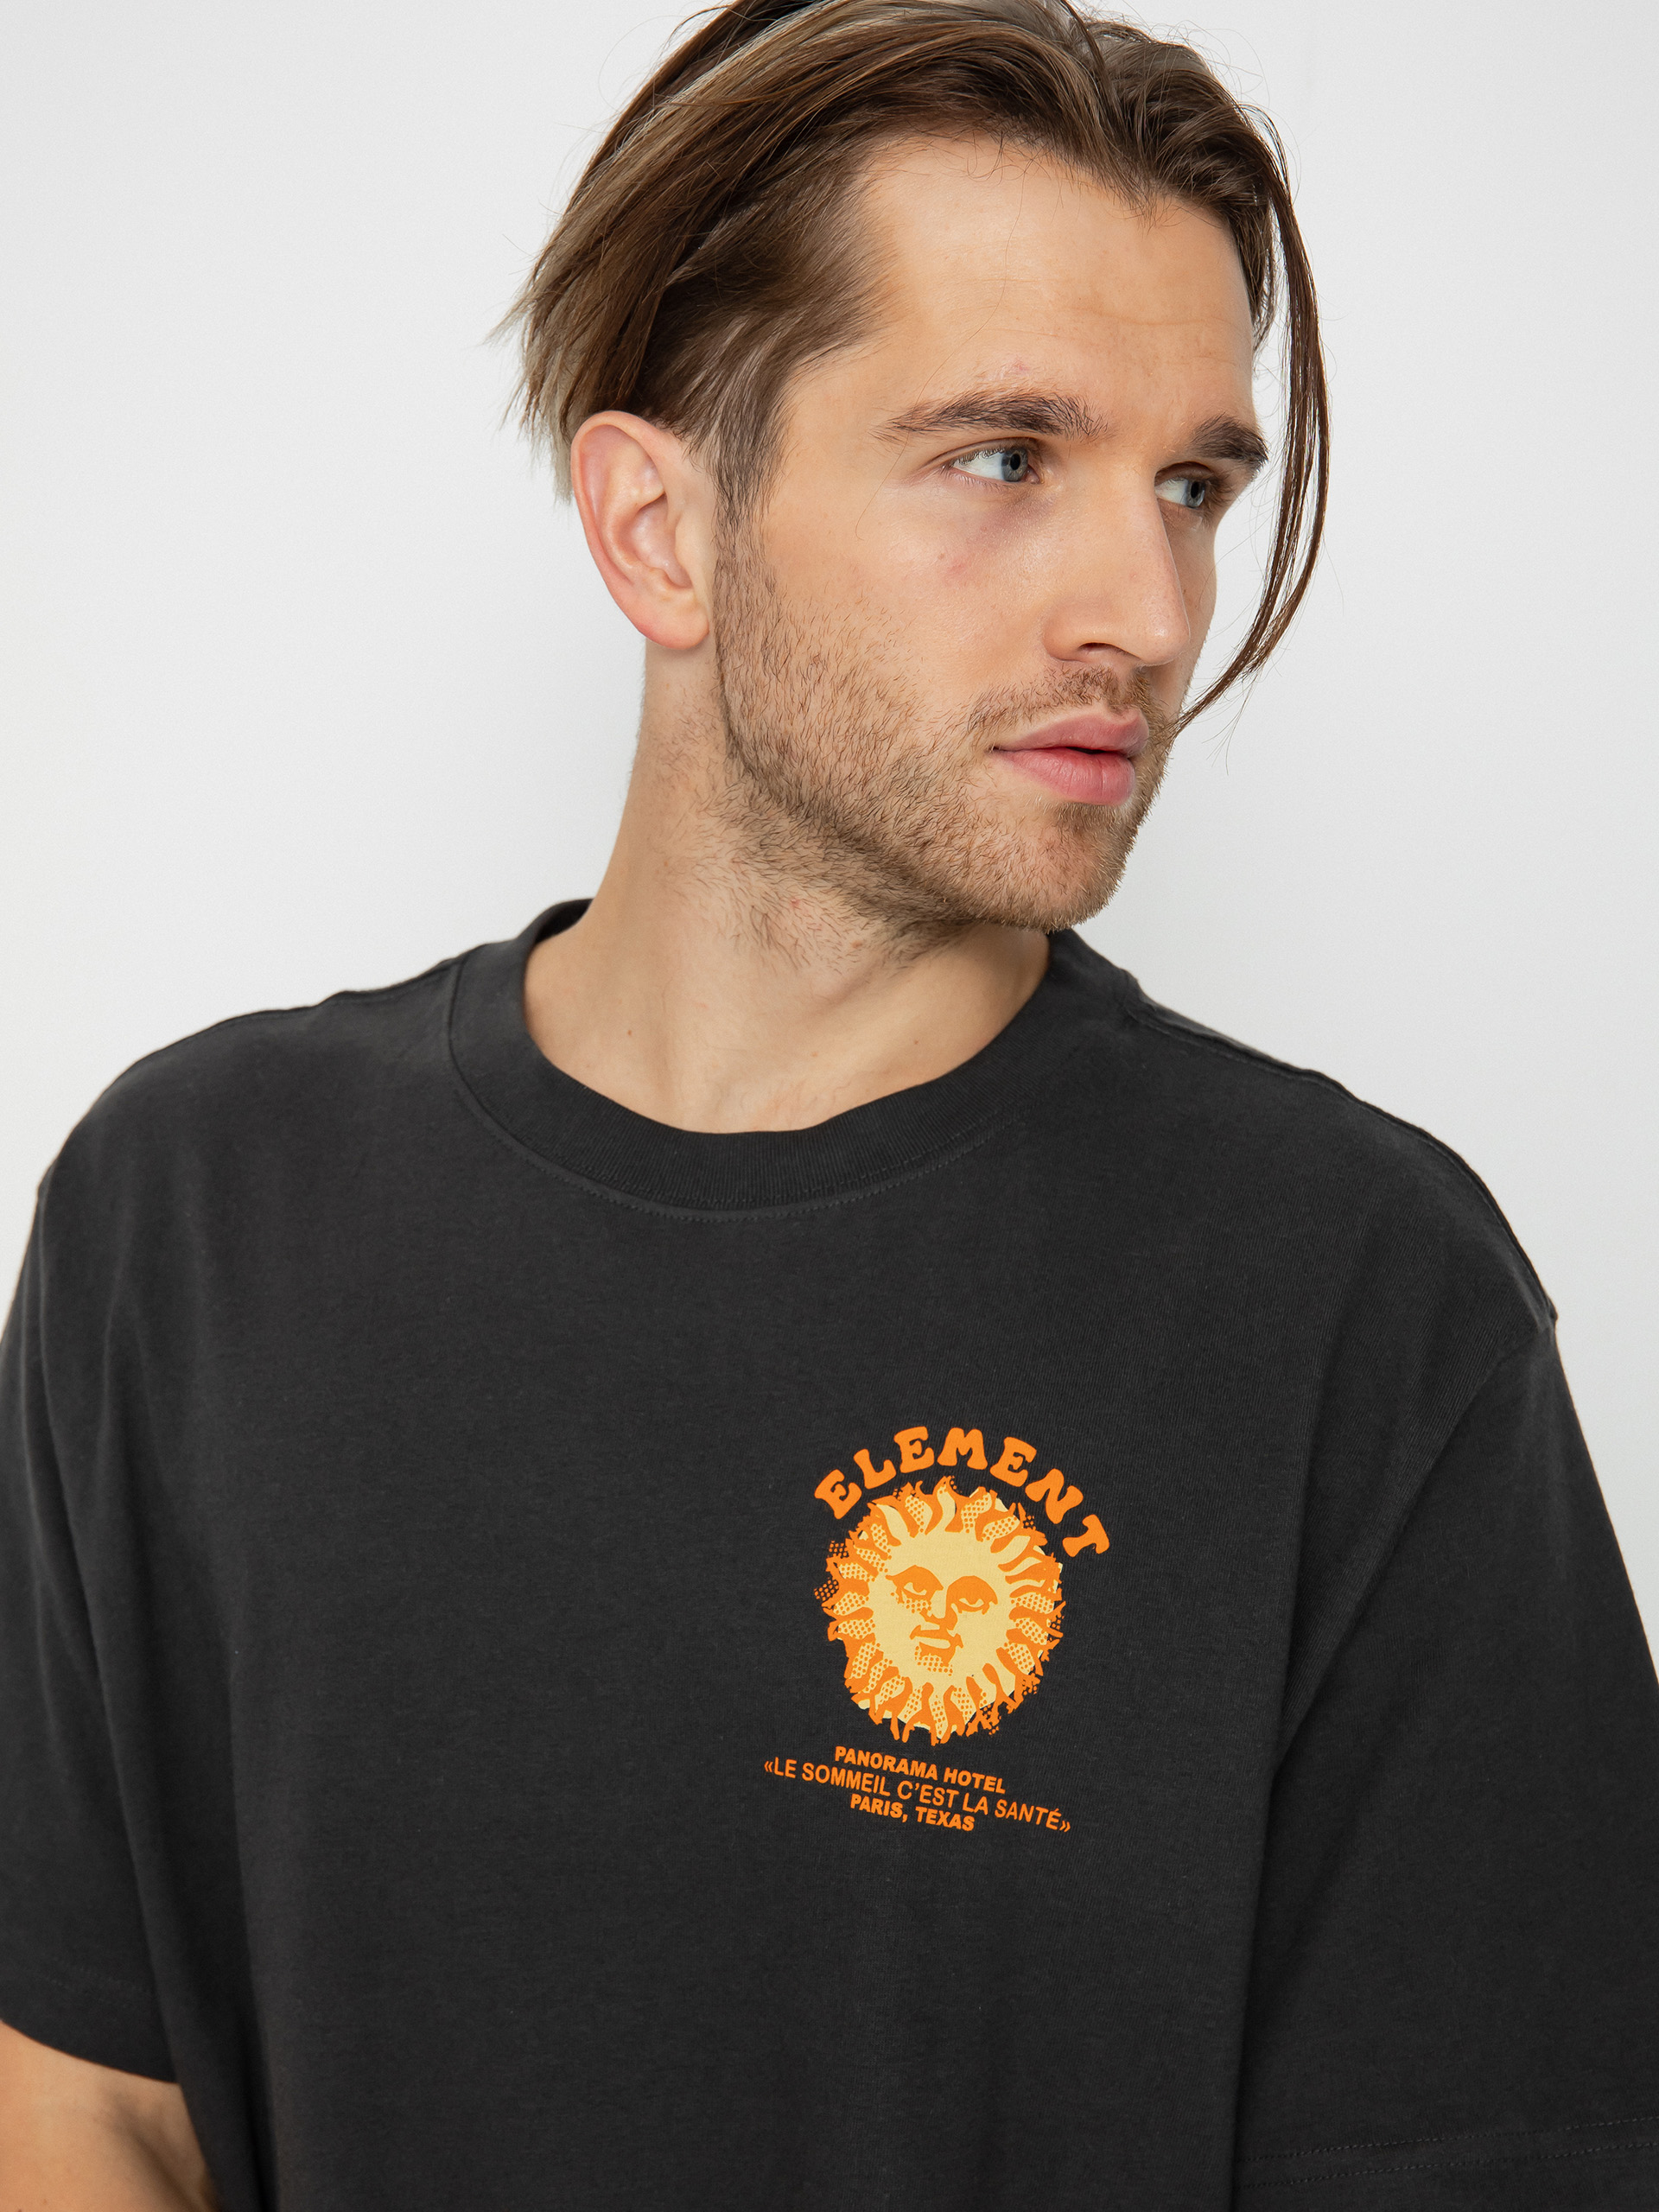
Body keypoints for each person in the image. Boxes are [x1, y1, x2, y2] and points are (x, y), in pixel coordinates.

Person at [2, 0, 1656, 2203]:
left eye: (1192, 484)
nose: (1148, 607)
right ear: (659, 529)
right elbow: (89, 2096)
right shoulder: (196, 1212)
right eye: (1006, 456)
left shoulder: (1364, 1304)